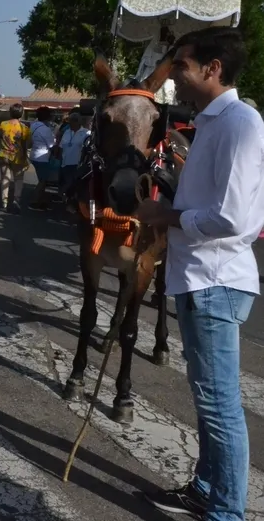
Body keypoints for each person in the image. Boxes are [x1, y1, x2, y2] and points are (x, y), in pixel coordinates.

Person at [138, 27, 264, 521]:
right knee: (208, 400)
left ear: (213, 69)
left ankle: (226, 512)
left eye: (182, 66)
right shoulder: (212, 124)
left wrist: (165, 216)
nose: (174, 76)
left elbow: (233, 219)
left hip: (215, 279)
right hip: (198, 277)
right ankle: (206, 489)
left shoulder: (239, 123)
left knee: (219, 406)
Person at [0, 103, 32, 213]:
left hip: (3, 154)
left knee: (5, 178)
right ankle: (16, 200)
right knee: (18, 179)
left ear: (10, 113)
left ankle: (4, 202)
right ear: (21, 113)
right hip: (18, 156)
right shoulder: (24, 128)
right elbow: (29, 144)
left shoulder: (3, 124)